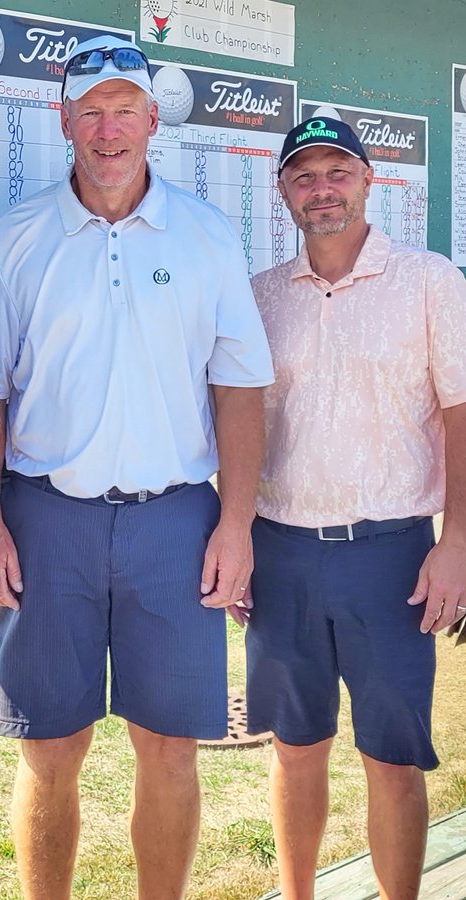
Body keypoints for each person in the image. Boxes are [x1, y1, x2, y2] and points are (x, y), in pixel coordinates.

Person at [0, 35, 274, 899]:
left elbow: (239, 387)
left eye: (124, 110)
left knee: (171, 747)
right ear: (64, 120)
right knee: (50, 747)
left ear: (151, 120)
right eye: (90, 111)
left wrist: (237, 524)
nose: (109, 129)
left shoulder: (207, 237)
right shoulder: (18, 238)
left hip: (174, 521)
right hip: (44, 515)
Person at [246, 116, 466, 900]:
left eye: (338, 171)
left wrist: (458, 542)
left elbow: (459, 412)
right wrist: (235, 538)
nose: (322, 188)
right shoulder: (261, 296)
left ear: (370, 179)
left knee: (393, 754)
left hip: (392, 550)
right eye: (303, 176)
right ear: (283, 194)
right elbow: (239, 426)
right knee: (294, 745)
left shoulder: (430, 280)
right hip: (281, 550)